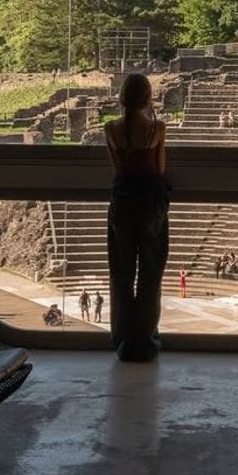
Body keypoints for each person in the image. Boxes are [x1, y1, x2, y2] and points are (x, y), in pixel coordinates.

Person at [103, 72, 169, 362]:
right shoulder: (157, 128)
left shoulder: (110, 129)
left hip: (122, 202)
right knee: (151, 273)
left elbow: (117, 168)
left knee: (121, 273)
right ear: (146, 97)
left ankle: (122, 340)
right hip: (151, 204)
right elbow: (160, 168)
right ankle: (145, 341)